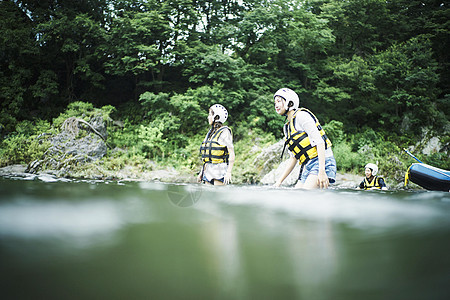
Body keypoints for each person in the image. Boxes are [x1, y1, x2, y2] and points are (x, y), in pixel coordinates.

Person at [273, 88, 336, 189]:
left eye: (279, 101)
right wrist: (279, 182)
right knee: (297, 196)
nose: (276, 105)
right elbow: (293, 158)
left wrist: (322, 171)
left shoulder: (302, 116)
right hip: (307, 165)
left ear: (289, 102)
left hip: (322, 162)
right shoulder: (287, 128)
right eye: (275, 102)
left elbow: (320, 142)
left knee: (305, 195)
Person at [197, 104, 235, 185]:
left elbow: (231, 153)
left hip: (220, 169)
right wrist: (201, 172)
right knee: (208, 196)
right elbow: (207, 155)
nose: (208, 117)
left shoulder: (225, 132)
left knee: (218, 195)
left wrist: (228, 172)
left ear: (216, 117)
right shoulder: (210, 133)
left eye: (210, 115)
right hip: (207, 171)